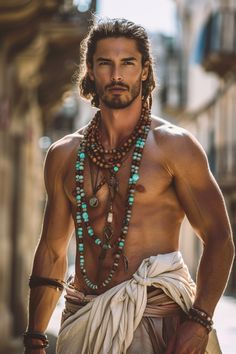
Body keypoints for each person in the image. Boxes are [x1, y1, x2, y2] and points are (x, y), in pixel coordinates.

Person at [24, 18, 235, 354]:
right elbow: (52, 250)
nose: (117, 75)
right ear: (91, 71)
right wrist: (35, 336)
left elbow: (220, 238)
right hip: (84, 320)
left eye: (128, 63)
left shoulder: (175, 147)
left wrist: (199, 321)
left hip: (158, 324)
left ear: (146, 70)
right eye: (105, 64)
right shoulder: (64, 154)